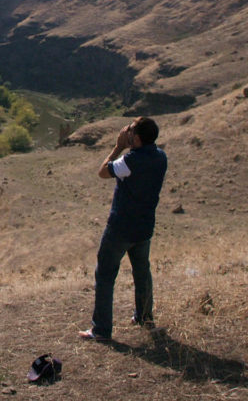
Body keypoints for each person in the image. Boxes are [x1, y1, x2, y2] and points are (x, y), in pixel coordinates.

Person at [80, 116, 168, 341]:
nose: (126, 134)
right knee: (141, 271)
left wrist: (118, 146)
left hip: (121, 227)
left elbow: (102, 172)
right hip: (144, 225)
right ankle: (144, 316)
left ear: (136, 139)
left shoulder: (130, 161)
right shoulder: (161, 157)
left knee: (106, 275)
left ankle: (101, 330)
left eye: (130, 132)